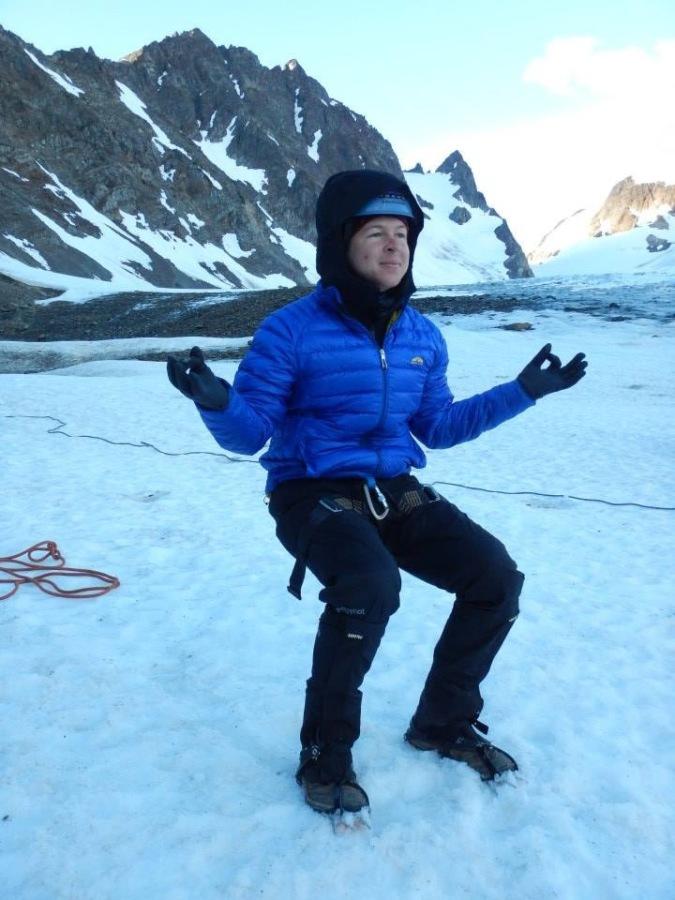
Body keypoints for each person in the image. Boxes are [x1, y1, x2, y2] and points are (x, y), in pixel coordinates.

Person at [167, 169, 587, 816]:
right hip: (311, 492)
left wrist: (523, 391)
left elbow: (438, 428)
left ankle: (442, 723)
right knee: (367, 586)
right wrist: (216, 401)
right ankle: (324, 754)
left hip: (395, 488)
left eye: (402, 234)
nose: (394, 247)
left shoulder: (421, 335)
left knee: (494, 579)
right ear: (340, 244)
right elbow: (249, 435)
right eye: (375, 233)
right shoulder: (289, 330)